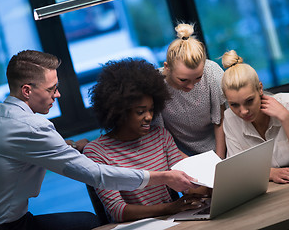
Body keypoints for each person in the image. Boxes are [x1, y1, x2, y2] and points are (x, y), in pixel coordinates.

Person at [0, 50, 199, 230]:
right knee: (87, 223)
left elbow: (20, 147)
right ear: (26, 90)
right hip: (7, 226)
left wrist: (71, 147)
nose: (58, 94)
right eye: (51, 89)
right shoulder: (34, 128)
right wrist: (163, 177)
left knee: (85, 220)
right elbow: (96, 175)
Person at [84, 58, 208, 223]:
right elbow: (118, 211)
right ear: (119, 112)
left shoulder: (160, 136)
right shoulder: (96, 152)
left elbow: (187, 185)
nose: (149, 117)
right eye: (140, 112)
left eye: (151, 110)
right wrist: (171, 208)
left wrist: (211, 182)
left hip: (173, 223)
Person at [221, 50, 289, 184]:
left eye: (249, 101)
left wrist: (286, 118)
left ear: (260, 89)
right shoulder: (230, 118)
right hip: (269, 189)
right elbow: (237, 171)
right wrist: (270, 173)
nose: (243, 111)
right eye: (234, 105)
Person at [153, 23, 226, 158]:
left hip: (219, 146)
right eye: (183, 80)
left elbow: (220, 120)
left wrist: (219, 159)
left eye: (198, 78)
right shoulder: (155, 84)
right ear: (167, 67)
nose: (191, 86)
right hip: (178, 153)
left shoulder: (211, 72)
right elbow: (160, 137)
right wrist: (191, 164)